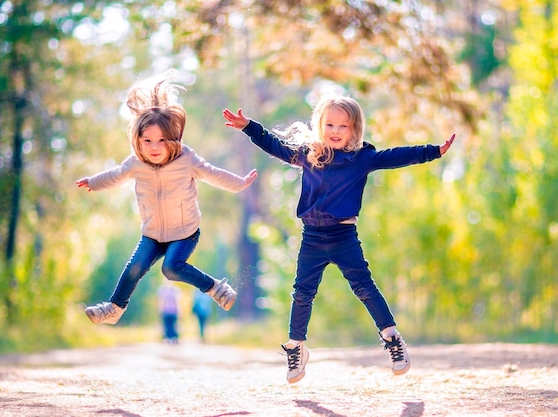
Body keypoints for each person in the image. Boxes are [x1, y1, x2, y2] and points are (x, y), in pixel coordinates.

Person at [223, 95, 455, 384]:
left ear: (354, 129)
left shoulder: (362, 159)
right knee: (302, 294)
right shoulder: (308, 154)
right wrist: (249, 127)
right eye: (329, 124)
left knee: (365, 287)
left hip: (343, 236)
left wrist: (433, 151)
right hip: (312, 238)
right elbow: (274, 144)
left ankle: (393, 340)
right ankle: (296, 348)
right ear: (320, 125)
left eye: (342, 126)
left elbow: (396, 156)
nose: (335, 130)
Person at [78, 72, 258, 326]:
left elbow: (212, 173)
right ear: (138, 141)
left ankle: (216, 288)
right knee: (135, 268)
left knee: (171, 268)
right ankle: (114, 309)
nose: (154, 146)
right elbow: (116, 175)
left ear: (171, 139)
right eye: (147, 140)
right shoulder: (136, 164)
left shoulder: (186, 159)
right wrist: (93, 182)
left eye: (161, 140)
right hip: (152, 233)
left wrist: (239, 183)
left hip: (184, 232)